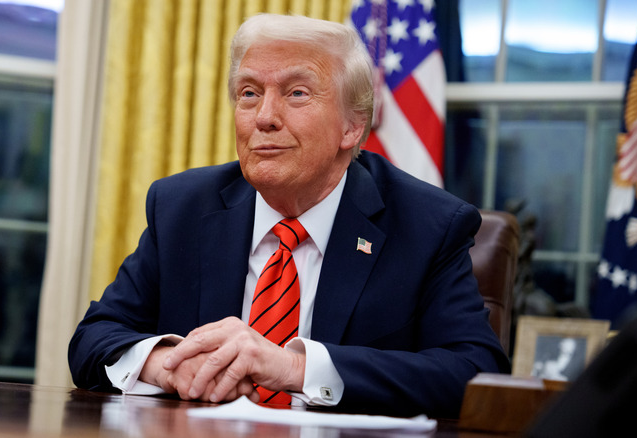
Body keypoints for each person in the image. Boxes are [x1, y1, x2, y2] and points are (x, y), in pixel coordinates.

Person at [68, 13, 510, 418]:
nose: (264, 117)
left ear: (352, 126)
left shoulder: (427, 225)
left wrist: (293, 367)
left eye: (296, 93)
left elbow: (475, 373)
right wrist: (168, 365)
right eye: (249, 93)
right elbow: (93, 338)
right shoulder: (183, 206)